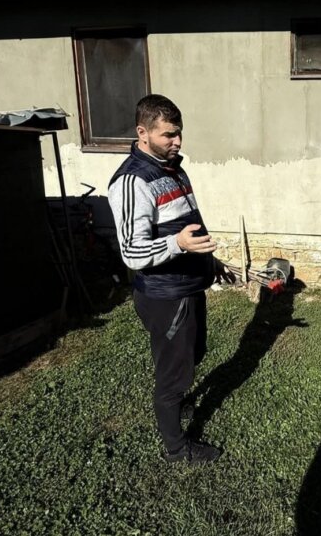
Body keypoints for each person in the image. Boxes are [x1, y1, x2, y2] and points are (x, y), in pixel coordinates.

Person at [108, 94, 233, 465]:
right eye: (169, 135)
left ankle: (178, 405)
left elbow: (186, 225)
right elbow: (132, 252)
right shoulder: (132, 181)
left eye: (180, 134)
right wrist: (178, 244)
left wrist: (211, 261)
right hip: (166, 295)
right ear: (142, 132)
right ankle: (177, 449)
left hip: (189, 285)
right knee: (173, 374)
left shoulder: (173, 169)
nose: (178, 142)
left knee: (193, 355)